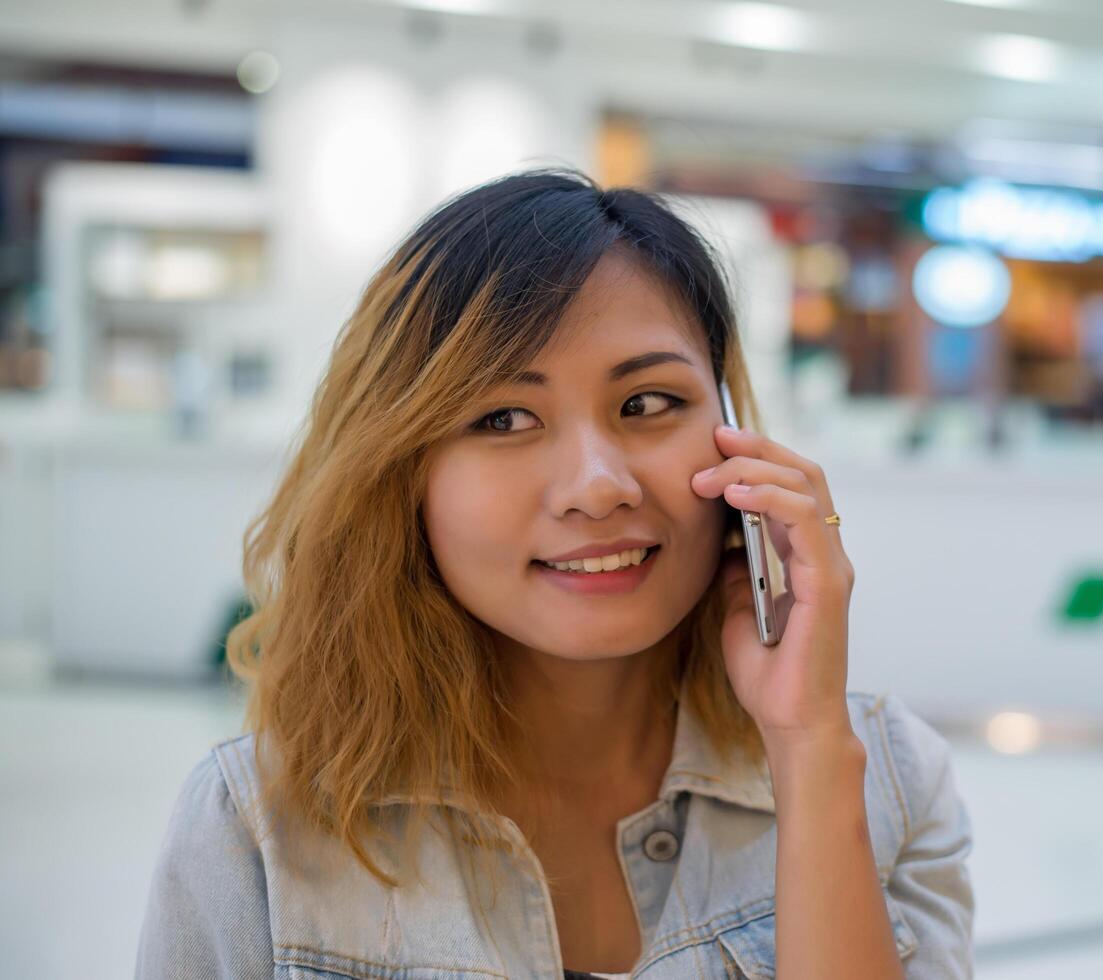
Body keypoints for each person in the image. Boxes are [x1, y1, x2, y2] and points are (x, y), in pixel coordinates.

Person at [135, 169, 974, 979]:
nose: (597, 485)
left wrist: (807, 750)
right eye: (503, 417)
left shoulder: (887, 778)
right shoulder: (258, 829)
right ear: (401, 472)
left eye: (647, 404)